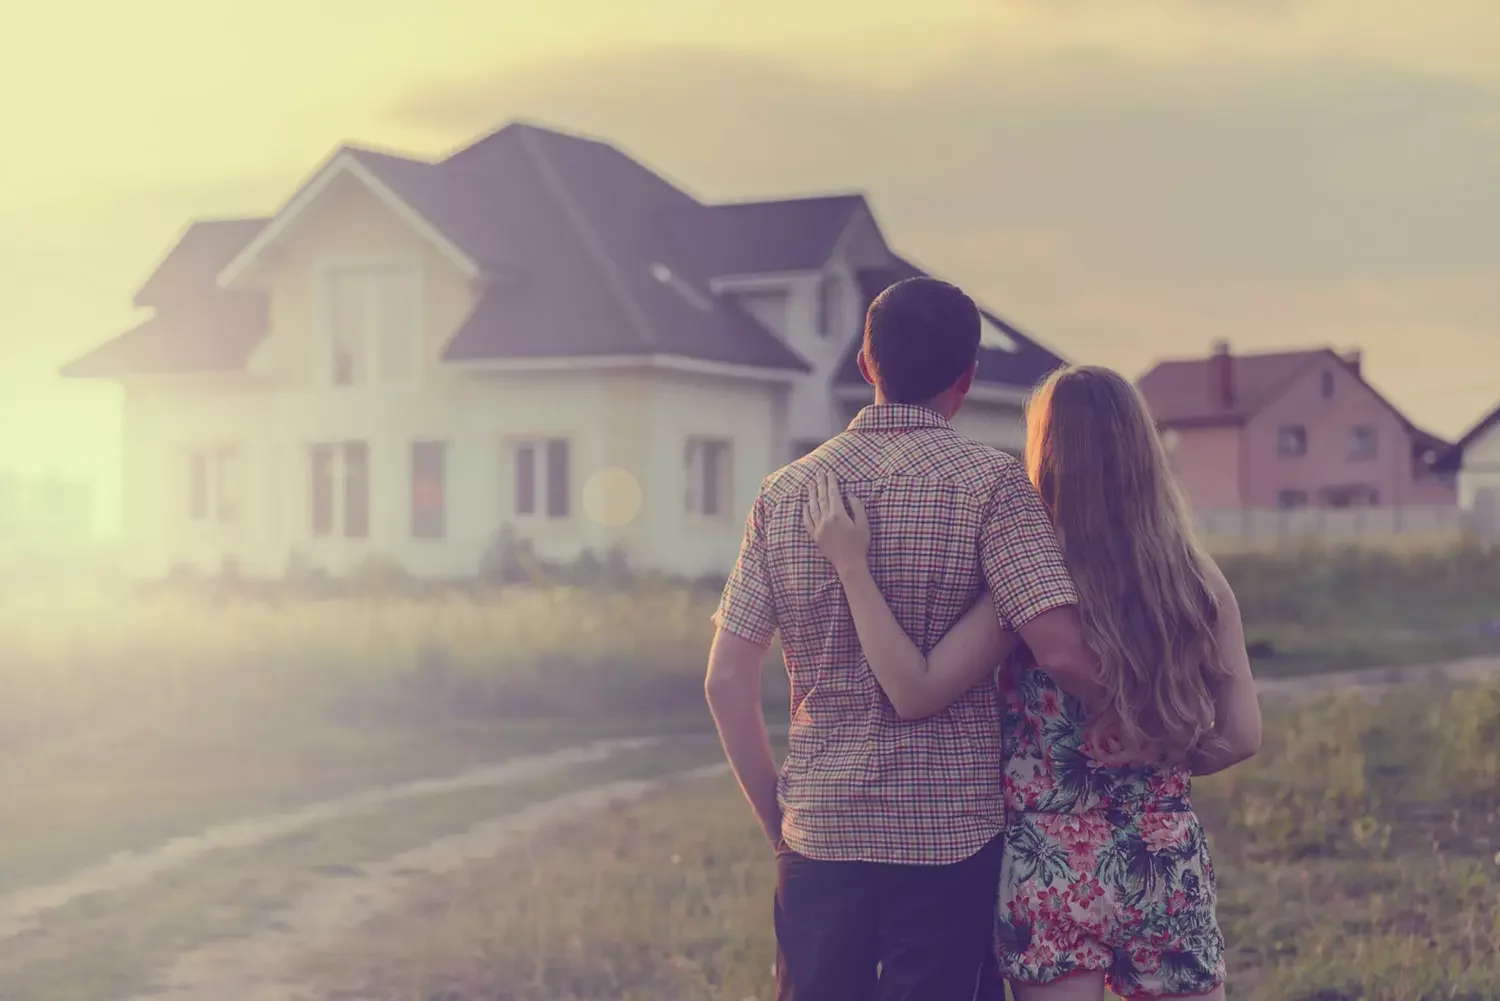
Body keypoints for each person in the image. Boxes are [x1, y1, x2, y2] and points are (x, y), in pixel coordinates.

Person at [705, 277, 1109, 1001]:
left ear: (865, 363)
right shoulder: (993, 485)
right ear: (968, 377)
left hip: (822, 830)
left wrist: (781, 821)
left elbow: (727, 680)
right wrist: (1163, 721)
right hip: (951, 838)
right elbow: (1059, 648)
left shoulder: (785, 492)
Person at [804, 364, 1262, 1001]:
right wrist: (1164, 754)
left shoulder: (1029, 582)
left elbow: (916, 689)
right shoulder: (1197, 579)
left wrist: (853, 567)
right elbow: (1241, 736)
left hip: (1050, 862)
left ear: (1047, 450)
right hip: (1161, 854)